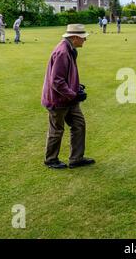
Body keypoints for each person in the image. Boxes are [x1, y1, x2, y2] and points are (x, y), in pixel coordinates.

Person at [41, 24, 96, 170]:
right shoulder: (63, 52)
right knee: (56, 130)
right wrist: (74, 95)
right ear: (75, 37)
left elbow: (65, 77)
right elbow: (56, 81)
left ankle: (76, 159)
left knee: (79, 124)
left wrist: (76, 88)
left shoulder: (69, 50)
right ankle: (51, 160)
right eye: (83, 38)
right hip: (58, 100)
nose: (85, 40)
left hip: (68, 100)